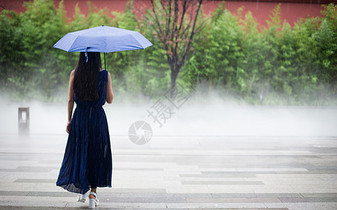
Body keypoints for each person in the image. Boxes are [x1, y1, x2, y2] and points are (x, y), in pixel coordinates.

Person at [56, 52, 114, 208]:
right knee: (96, 153)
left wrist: (69, 120)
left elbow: (70, 99)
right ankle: (93, 195)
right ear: (98, 57)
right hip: (97, 119)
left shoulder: (75, 73)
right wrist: (107, 81)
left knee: (81, 151)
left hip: (80, 118)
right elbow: (109, 99)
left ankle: (83, 188)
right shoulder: (105, 74)